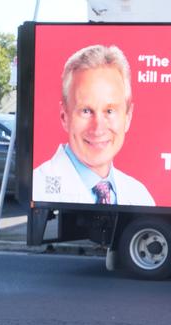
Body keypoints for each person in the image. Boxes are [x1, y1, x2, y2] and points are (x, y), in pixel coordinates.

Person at [33, 44, 155, 206]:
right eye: (86, 111)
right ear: (64, 116)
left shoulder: (140, 195)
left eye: (110, 111)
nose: (98, 128)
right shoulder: (37, 188)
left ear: (128, 117)